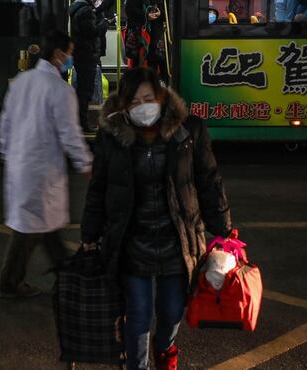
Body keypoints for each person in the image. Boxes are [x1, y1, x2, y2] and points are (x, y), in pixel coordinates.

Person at [81, 67, 233, 370]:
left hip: (179, 240)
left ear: (162, 97)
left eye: (148, 98)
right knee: (137, 313)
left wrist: (223, 231)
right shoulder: (112, 137)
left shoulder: (190, 131)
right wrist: (89, 234)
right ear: (124, 106)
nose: (142, 107)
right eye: (134, 102)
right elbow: (98, 188)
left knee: (171, 311)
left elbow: (209, 181)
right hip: (133, 241)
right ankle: (137, 366)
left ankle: (165, 350)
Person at [0, 30, 93, 298]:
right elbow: (69, 134)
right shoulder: (60, 90)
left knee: (36, 228)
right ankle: (62, 282)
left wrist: (6, 153)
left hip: (20, 166)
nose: (70, 59)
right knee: (36, 228)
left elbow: (5, 123)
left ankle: (17, 282)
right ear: (60, 55)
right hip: (41, 171)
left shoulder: (21, 82)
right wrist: (86, 163)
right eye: (70, 53)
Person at [69, 0, 109, 133]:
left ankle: (80, 121)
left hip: (80, 53)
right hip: (86, 54)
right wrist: (103, 25)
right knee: (85, 90)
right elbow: (91, 33)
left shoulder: (77, 6)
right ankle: (83, 123)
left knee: (82, 88)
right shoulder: (86, 11)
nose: (100, 1)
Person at [125, 0, 168, 82]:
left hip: (155, 31)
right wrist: (145, 15)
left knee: (156, 58)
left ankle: (156, 84)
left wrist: (160, 14)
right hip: (138, 31)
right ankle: (135, 84)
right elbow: (129, 10)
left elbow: (167, 14)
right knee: (137, 60)